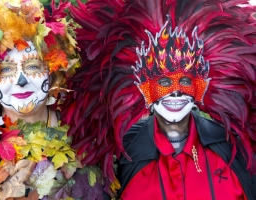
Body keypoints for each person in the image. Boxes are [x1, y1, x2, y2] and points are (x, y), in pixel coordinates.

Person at [62, 0, 256, 199]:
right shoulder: (121, 154)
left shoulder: (232, 146)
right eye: (163, 82)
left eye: (185, 80)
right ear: (142, 87)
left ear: (201, 85)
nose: (176, 92)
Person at [0, 0, 104, 199]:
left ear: (53, 73)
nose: (21, 81)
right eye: (6, 69)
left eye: (33, 66)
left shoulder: (86, 138)